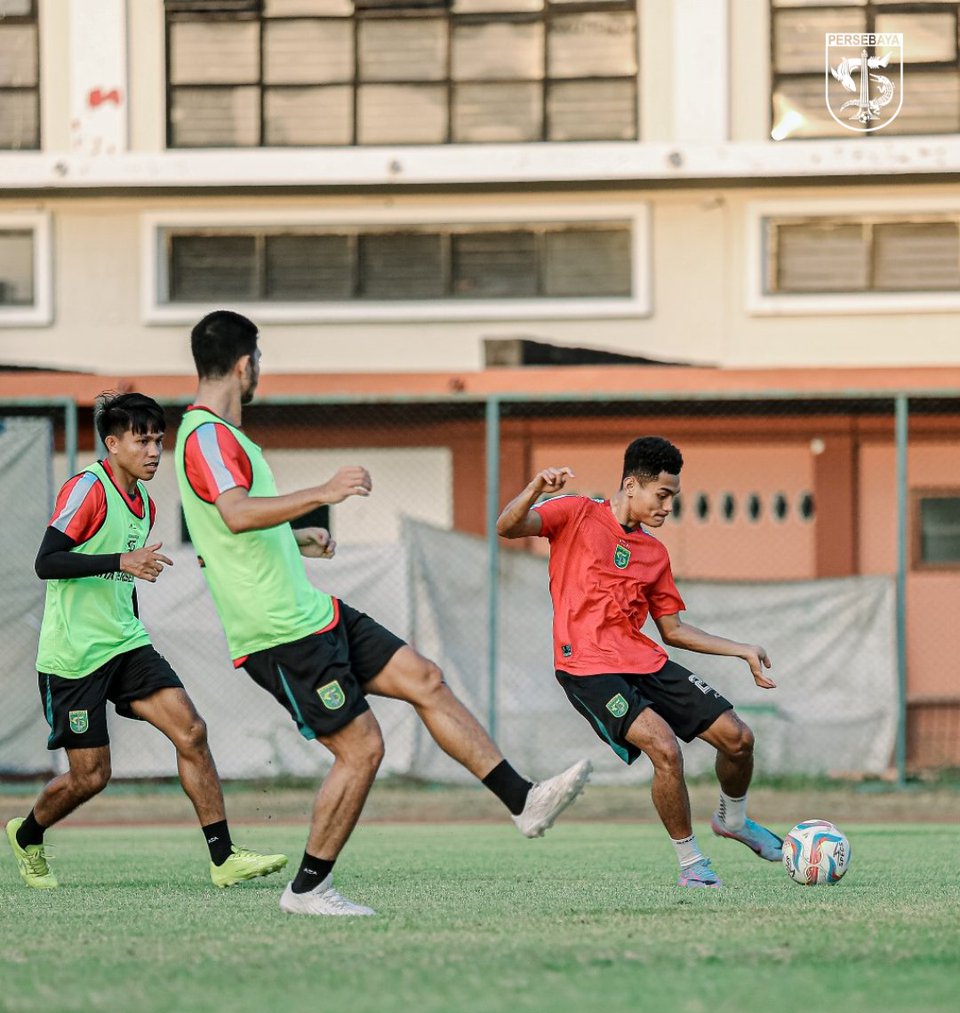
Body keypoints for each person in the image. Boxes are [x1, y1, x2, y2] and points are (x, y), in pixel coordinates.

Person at [174, 310, 591, 918]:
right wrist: (323, 493)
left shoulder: (222, 439)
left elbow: (226, 535)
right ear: (246, 364)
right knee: (362, 748)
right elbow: (235, 514)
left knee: (424, 678)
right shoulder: (207, 435)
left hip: (313, 613)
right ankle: (308, 889)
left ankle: (522, 801)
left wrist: (294, 541)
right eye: (258, 362)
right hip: (280, 632)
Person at [5, 392, 287, 891]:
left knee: (192, 731)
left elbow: (127, 579)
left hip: (127, 645)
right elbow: (46, 562)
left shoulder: (146, 504)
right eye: (142, 440)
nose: (155, 450)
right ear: (113, 444)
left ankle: (223, 858)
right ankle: (27, 835)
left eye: (159, 439)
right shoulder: (87, 489)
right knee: (90, 777)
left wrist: (132, 618)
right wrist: (119, 561)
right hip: (74, 657)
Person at [497, 435, 783, 889]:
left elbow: (673, 631)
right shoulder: (575, 512)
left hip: (643, 660)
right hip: (586, 666)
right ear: (632, 485)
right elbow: (508, 527)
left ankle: (734, 820)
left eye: (673, 497)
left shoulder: (655, 553)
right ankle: (691, 865)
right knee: (665, 748)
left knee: (738, 738)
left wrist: (742, 648)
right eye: (662, 495)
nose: (668, 506)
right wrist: (535, 488)